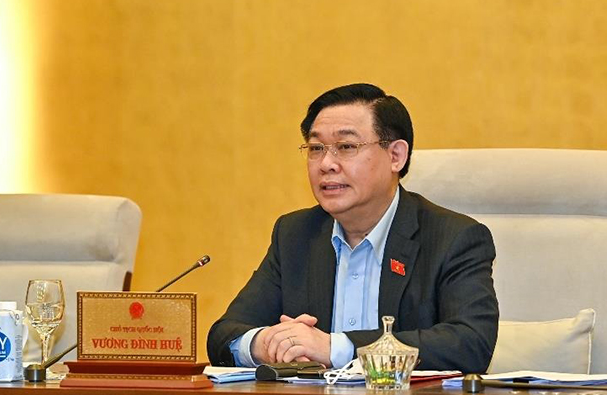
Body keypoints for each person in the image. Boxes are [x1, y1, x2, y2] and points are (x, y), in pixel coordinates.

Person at [207, 83, 498, 373]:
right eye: (316, 148)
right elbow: (224, 335)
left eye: (346, 147)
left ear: (396, 156)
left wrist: (335, 348)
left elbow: (470, 343)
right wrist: (265, 343)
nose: (326, 164)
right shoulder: (295, 235)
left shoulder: (453, 238)